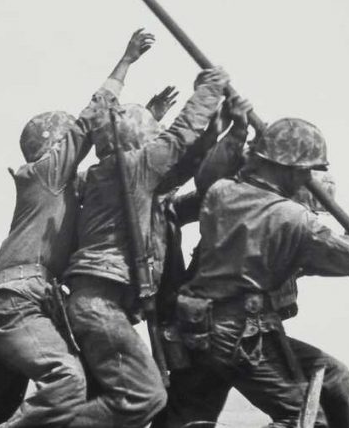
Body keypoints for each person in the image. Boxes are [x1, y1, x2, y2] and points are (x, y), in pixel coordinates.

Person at [0, 29, 155, 428]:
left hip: (15, 302)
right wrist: (126, 60)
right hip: (19, 302)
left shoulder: (61, 190)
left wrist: (148, 117)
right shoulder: (45, 174)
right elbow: (90, 119)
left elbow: (117, 165)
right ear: (54, 145)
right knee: (67, 380)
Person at [158, 117, 349, 428]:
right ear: (287, 167)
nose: (306, 178)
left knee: (186, 418)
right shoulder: (292, 218)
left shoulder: (222, 192)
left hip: (196, 328)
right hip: (242, 335)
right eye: (304, 170)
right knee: (305, 421)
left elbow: (308, 260)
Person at [63, 64, 231, 428]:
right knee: (145, 397)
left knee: (122, 400)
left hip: (99, 302)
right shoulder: (133, 168)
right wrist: (210, 88)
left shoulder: (114, 178)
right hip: (100, 304)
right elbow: (179, 138)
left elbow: (182, 170)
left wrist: (216, 133)